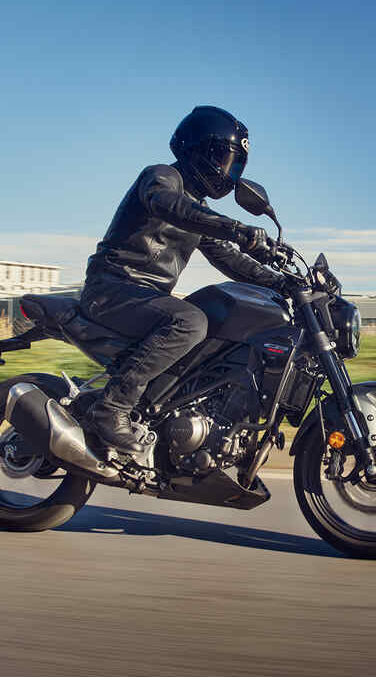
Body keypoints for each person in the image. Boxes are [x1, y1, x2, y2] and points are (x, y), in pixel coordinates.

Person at [79, 105, 284, 454]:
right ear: (198, 149)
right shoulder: (160, 178)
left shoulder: (197, 210)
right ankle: (111, 408)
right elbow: (168, 205)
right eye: (223, 159)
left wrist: (284, 283)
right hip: (112, 289)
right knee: (189, 320)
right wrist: (235, 227)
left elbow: (230, 260)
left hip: (144, 300)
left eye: (235, 164)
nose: (227, 171)